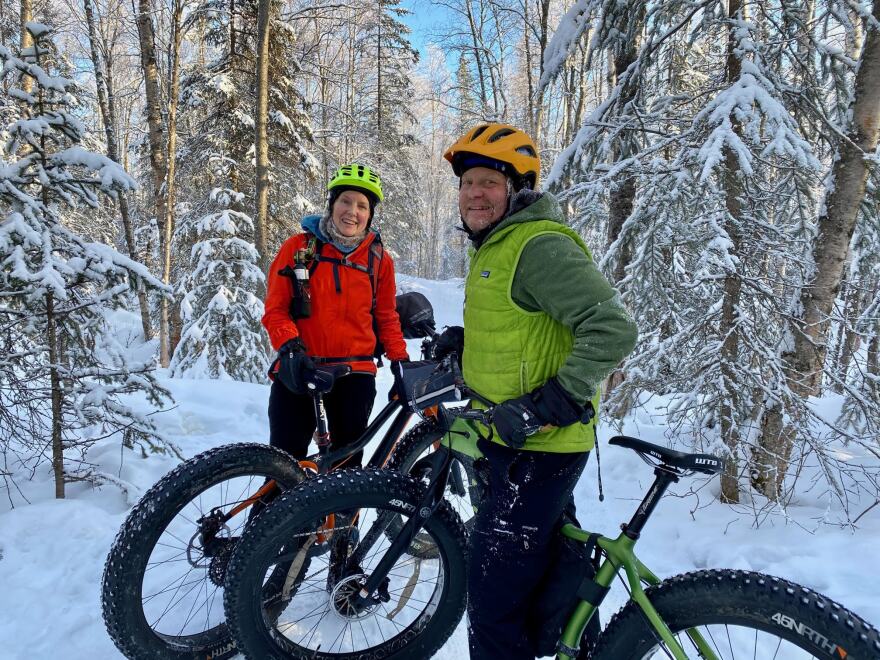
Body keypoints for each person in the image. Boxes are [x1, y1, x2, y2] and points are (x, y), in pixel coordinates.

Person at [440, 123, 639, 659]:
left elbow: (612, 328)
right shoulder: (498, 245)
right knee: (550, 575)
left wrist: (556, 399)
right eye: (467, 183)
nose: (475, 193)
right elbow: (526, 327)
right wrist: (468, 344)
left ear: (518, 188)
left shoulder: (538, 244)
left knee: (495, 600)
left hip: (540, 448)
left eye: (489, 182)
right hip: (514, 442)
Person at [262, 164, 409, 467]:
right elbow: (275, 309)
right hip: (301, 368)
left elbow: (386, 316)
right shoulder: (300, 247)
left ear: (370, 214)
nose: (352, 211)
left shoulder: (379, 259)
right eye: (345, 201)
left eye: (362, 205)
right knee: (283, 468)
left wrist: (400, 361)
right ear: (332, 204)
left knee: (346, 470)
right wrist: (290, 347)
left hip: (354, 373)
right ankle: (270, 512)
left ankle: (341, 518)